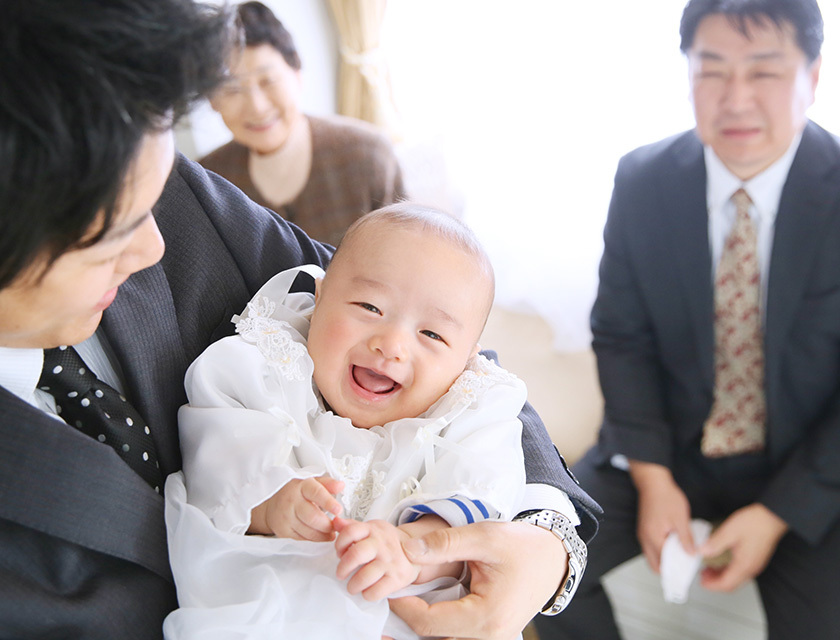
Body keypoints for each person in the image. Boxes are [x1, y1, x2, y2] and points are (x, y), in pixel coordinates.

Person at [0, 1, 599, 638]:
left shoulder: (173, 194)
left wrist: (547, 535)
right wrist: (266, 498)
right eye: (110, 232)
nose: (152, 248)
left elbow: (444, 347)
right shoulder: (244, 375)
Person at [535, 1, 840, 639]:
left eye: (763, 72)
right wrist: (652, 477)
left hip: (807, 461)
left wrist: (779, 514)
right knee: (540, 559)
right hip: (667, 450)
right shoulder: (643, 180)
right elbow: (621, 336)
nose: (735, 100)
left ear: (813, 77)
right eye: (712, 71)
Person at [164, 204, 528, 639]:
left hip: (403, 617)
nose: (391, 344)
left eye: (431, 334)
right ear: (319, 300)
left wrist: (414, 549)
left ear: (467, 360)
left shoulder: (469, 414)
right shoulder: (266, 369)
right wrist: (273, 503)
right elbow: (219, 450)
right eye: (369, 306)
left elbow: (483, 500)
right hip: (272, 612)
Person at [199, 1, 406, 247]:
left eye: (268, 81)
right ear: (212, 99)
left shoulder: (368, 153)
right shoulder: (207, 181)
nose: (257, 107)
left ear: (296, 72)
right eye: (232, 89)